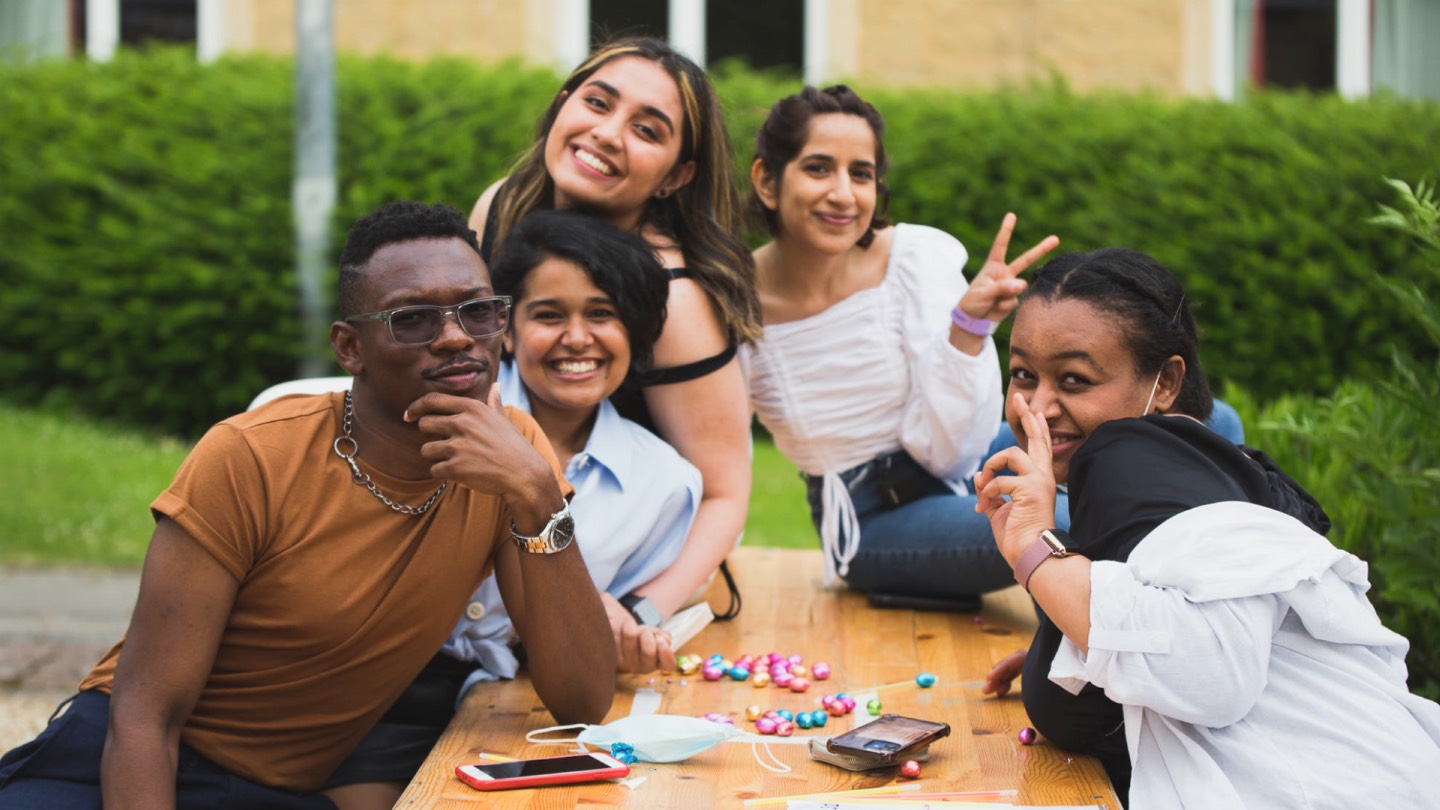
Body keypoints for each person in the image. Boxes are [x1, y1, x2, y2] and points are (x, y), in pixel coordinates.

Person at [0, 201, 615, 809]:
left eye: (478, 311)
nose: (456, 336)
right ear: (350, 348)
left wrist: (538, 497)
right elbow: (144, 715)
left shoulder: (514, 457)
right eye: (412, 319)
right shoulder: (250, 457)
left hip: (275, 795)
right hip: (122, 772)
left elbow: (582, 702)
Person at [975, 247, 1440, 808]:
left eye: (1074, 380)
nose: (1036, 406)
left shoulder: (1127, 453)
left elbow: (1212, 674)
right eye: (1023, 374)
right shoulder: (1182, 471)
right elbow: (1216, 622)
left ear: (1166, 382)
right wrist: (1075, 637)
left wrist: (1033, 549)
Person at [468, 36, 757, 633]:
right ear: (563, 104)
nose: (606, 132)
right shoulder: (498, 210)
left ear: (677, 175)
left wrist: (640, 611)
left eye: (647, 130)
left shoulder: (674, 299)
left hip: (615, 551)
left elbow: (725, 493)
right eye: (598, 103)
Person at [741, 84, 1059, 599]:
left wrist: (967, 330)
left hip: (959, 460)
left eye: (860, 174)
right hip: (874, 519)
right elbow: (720, 459)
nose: (843, 194)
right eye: (818, 168)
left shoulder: (914, 260)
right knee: (1069, 513)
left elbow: (952, 454)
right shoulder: (735, 301)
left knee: (1198, 425)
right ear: (768, 181)